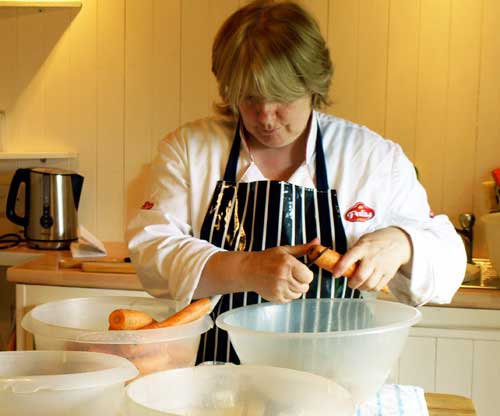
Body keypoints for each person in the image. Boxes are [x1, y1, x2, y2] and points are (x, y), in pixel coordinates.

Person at [126, 0, 466, 363]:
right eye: (250, 97)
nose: (265, 117)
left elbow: (448, 265)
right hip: (216, 381)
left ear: (313, 85)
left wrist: (402, 243)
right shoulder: (190, 150)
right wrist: (245, 269)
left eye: (282, 98)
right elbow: (151, 253)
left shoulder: (370, 158)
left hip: (335, 383)